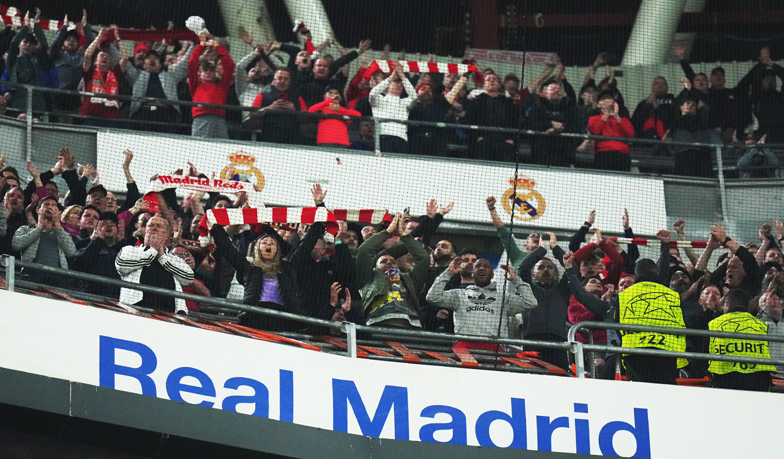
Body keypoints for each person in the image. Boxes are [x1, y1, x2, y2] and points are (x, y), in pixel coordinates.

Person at [427, 257, 536, 350]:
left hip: (494, 347)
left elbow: (530, 302)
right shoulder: (459, 294)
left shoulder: (504, 298)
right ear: (472, 273)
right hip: (464, 345)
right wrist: (448, 272)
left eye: (486, 266)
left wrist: (516, 280)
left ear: (492, 274)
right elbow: (433, 297)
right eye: (478, 266)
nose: (482, 268)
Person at [617, 258, 687, 384]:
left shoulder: (625, 295)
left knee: (640, 390)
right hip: (668, 351)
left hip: (635, 352)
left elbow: (617, 324)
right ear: (656, 272)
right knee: (665, 390)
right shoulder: (673, 295)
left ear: (636, 275)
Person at [356, 213, 429, 328]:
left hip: (411, 328)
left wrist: (404, 236)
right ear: (375, 267)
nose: (389, 262)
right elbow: (364, 251)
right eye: (383, 261)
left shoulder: (410, 279)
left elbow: (423, 258)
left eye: (393, 261)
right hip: (377, 326)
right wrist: (387, 232)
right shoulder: (368, 278)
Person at [116, 215, 194, 314]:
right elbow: (121, 264)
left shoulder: (174, 258)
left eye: (159, 226)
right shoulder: (130, 250)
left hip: (168, 312)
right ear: (144, 233)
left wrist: (162, 257)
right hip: (135, 308)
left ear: (167, 235)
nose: (154, 228)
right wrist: (152, 251)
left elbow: (188, 278)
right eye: (151, 225)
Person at [708, 289, 775, 391]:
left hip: (725, 378)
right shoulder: (760, 325)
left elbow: (705, 351)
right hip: (759, 379)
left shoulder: (715, 323)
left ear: (728, 306)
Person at [125, 43, 194, 133]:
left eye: (155, 58)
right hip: (143, 116)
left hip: (166, 116)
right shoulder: (137, 76)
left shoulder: (171, 75)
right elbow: (122, 61)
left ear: (160, 64)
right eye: (149, 58)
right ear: (144, 65)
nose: (152, 59)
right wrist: (112, 42)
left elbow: (185, 62)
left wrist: (195, 44)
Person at [12, 196, 77, 287]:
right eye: (46, 204)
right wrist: (38, 229)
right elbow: (16, 245)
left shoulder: (62, 234)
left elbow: (71, 252)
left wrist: (58, 225)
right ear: (37, 210)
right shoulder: (26, 229)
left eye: (54, 205)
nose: (50, 207)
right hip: (32, 273)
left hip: (58, 277)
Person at [407, 74, 468, 157]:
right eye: (423, 89)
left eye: (429, 90)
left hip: (436, 144)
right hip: (417, 143)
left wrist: (464, 78)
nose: (426, 91)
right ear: (417, 93)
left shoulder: (439, 105)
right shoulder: (411, 107)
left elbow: (453, 92)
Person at [71, 212, 129, 297]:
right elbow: (78, 265)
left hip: (117, 299)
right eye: (104, 224)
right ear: (97, 229)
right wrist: (98, 241)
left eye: (113, 225)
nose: (109, 226)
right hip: (90, 296)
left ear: (118, 230)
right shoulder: (87, 248)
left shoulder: (125, 249)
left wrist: (122, 243)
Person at [188, 35, 235, 138]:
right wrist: (200, 46)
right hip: (201, 117)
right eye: (205, 70)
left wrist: (217, 46)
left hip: (219, 118)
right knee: (200, 145)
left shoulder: (222, 86)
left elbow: (229, 65)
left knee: (222, 146)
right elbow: (191, 63)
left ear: (215, 73)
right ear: (199, 74)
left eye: (211, 70)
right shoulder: (195, 85)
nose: (208, 72)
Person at [465, 73, 517, 162]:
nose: (492, 81)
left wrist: (511, 138)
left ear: (499, 85)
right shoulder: (477, 101)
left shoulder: (508, 102)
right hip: (483, 140)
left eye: (494, 79)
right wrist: (477, 137)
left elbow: (515, 121)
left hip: (504, 141)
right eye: (488, 80)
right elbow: (469, 121)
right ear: (484, 85)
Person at [5, 9, 47, 117]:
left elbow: (44, 44)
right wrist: (26, 27)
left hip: (38, 101)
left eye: (31, 43)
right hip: (19, 100)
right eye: (25, 42)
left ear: (34, 47)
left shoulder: (38, 61)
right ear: (20, 45)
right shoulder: (12, 61)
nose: (28, 45)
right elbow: (13, 43)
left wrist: (36, 24)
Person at [80, 28, 124, 127]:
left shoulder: (116, 74)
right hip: (90, 115)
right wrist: (99, 38)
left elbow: (125, 58)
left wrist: (118, 40)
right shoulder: (90, 72)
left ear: (111, 63)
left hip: (111, 117)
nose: (105, 57)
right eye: (102, 56)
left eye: (107, 57)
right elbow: (87, 55)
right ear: (95, 62)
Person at [369, 64, 416, 153]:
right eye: (396, 82)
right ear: (388, 86)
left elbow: (414, 97)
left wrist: (403, 76)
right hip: (383, 136)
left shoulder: (404, 102)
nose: (400, 85)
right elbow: (372, 93)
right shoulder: (379, 100)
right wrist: (391, 78)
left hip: (401, 138)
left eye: (401, 84)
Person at [249, 68, 302, 145]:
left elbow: (306, 118)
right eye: (280, 78)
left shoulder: (298, 98)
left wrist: (294, 110)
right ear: (274, 80)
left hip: (292, 138)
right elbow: (252, 114)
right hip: (268, 137)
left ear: (289, 82)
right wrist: (269, 108)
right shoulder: (262, 96)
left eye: (286, 79)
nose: (282, 81)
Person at [587, 90, 635, 171]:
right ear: (598, 105)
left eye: (609, 99)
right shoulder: (593, 119)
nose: (607, 101)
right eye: (603, 100)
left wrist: (617, 116)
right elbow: (595, 131)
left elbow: (630, 134)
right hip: (603, 154)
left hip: (622, 155)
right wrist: (605, 115)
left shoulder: (624, 120)